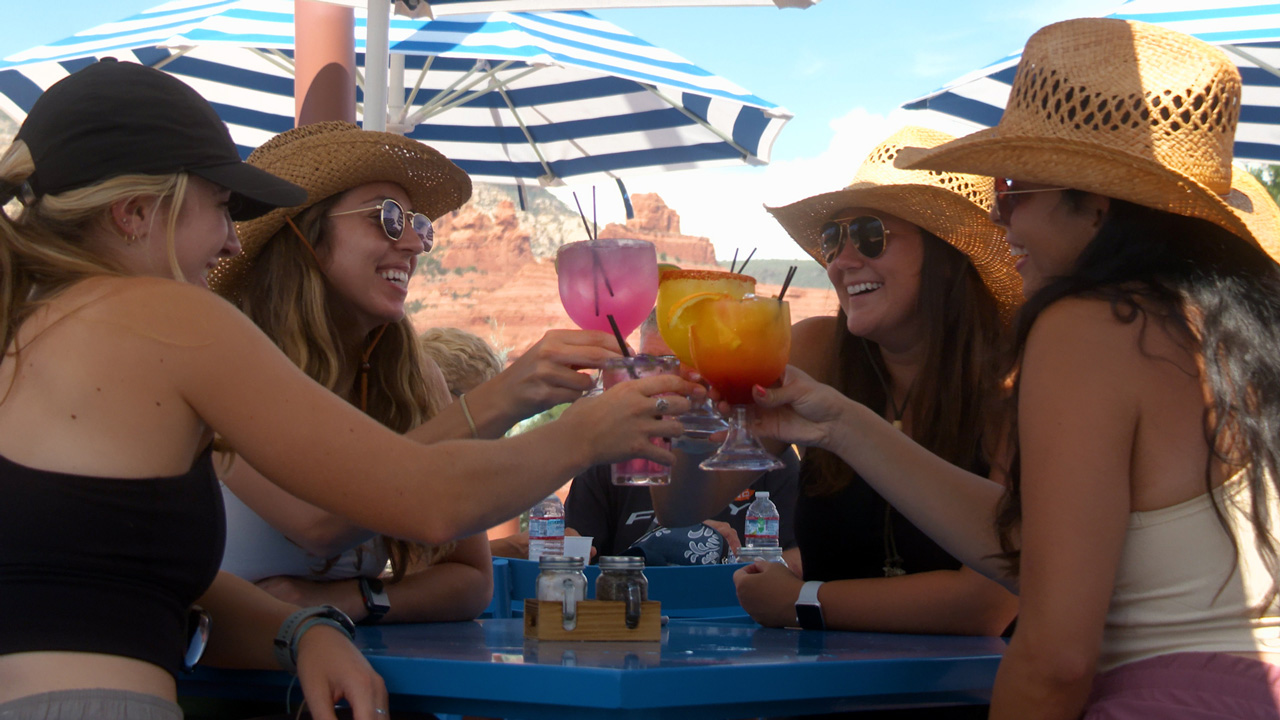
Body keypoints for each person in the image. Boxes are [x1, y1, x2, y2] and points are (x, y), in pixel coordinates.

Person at [0, 59, 695, 720]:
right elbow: (424, 500)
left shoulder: (29, 328)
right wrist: (588, 432)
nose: (231, 243)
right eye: (218, 206)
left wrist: (301, 629)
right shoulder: (167, 318)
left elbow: (98, 583)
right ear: (135, 213)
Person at [752, 18, 1280, 719]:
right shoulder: (1220, 325)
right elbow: (1029, 551)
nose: (1002, 222)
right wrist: (845, 425)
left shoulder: (1091, 326)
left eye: (1013, 191)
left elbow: (1055, 659)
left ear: (1094, 206)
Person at [211, 122, 687, 625]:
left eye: (419, 225)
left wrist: (353, 601)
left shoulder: (410, 378)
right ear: (303, 232)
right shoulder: (221, 358)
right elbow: (319, 520)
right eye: (388, 219)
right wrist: (503, 402)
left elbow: (470, 580)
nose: (416, 244)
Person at [653, 126, 1020, 647]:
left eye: (871, 235)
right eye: (833, 239)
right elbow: (682, 510)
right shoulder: (816, 352)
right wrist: (688, 429)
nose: (841, 262)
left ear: (946, 258)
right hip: (827, 684)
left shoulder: (1013, 383)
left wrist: (803, 602)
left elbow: (987, 601)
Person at [565, 310, 800, 564]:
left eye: (671, 363)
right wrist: (671, 539)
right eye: (646, 364)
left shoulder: (757, 449)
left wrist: (730, 555)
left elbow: (802, 558)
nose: (656, 378)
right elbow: (575, 557)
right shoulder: (611, 453)